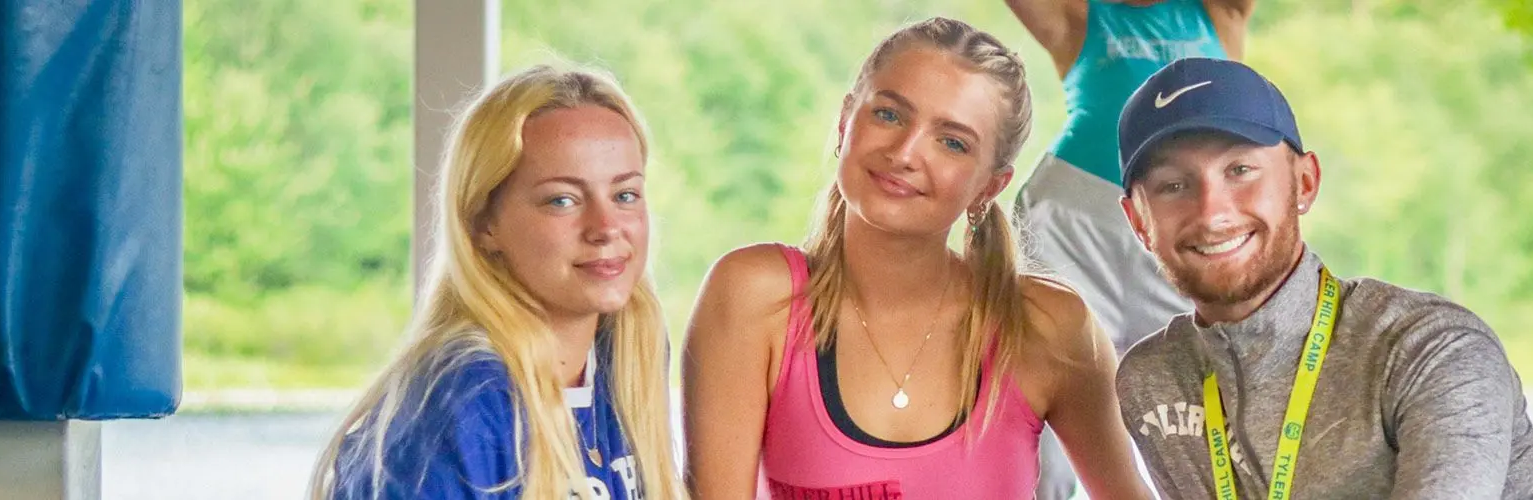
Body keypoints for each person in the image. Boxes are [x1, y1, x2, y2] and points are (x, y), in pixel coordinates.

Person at [681, 17, 1147, 500]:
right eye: (889, 115)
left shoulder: (1047, 325)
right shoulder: (754, 298)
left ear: (989, 186)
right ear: (846, 122)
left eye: (952, 142)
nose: (905, 153)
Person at [1113, 57, 1533, 498]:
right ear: (1138, 221)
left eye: (1239, 171)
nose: (1212, 213)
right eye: (1173, 185)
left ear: (1305, 182)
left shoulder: (1430, 347)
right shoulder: (1154, 379)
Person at [310, 64, 683, 500]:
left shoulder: (625, 352)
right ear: (484, 223)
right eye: (562, 200)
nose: (605, 227)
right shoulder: (465, 402)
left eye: (625, 195)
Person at [1006, 2, 1256, 495]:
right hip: (1071, 223)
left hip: (1183, 229)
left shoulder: (1221, 13)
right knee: (1047, 405)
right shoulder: (1079, 17)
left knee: (1199, 414)